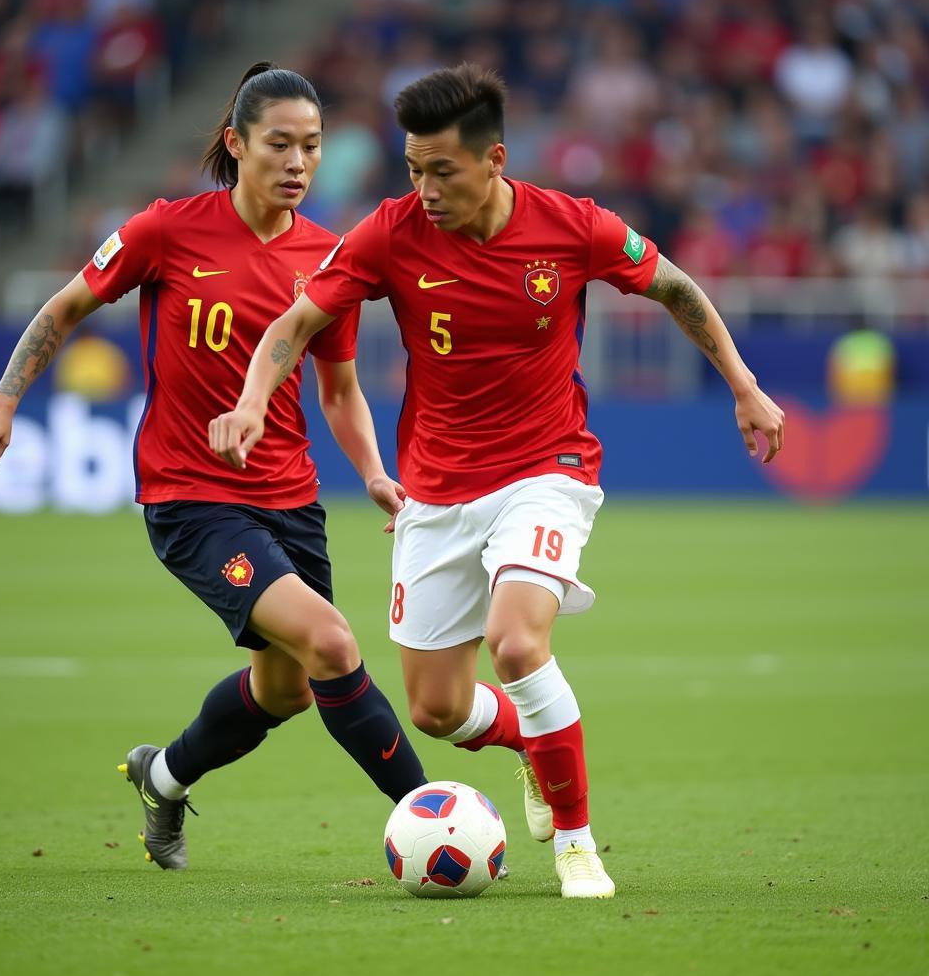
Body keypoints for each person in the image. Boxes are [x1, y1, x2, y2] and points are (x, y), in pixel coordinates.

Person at [209, 63, 786, 899]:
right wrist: (254, 398)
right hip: (436, 492)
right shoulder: (390, 233)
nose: (426, 188)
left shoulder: (572, 227)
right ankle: (530, 743)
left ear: (494, 160)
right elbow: (296, 323)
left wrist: (743, 385)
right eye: (414, 169)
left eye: (442, 170)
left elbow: (674, 287)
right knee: (437, 710)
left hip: (546, 470)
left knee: (519, 644)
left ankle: (578, 844)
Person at [0, 63, 428, 871]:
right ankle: (431, 813)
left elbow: (340, 387)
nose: (298, 163)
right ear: (236, 144)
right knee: (334, 645)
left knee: (284, 690)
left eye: (311, 146)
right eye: (279, 144)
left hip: (292, 498)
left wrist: (375, 473)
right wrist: (3, 400)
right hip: (193, 498)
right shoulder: (165, 231)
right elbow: (64, 306)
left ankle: (164, 778)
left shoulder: (329, 258)